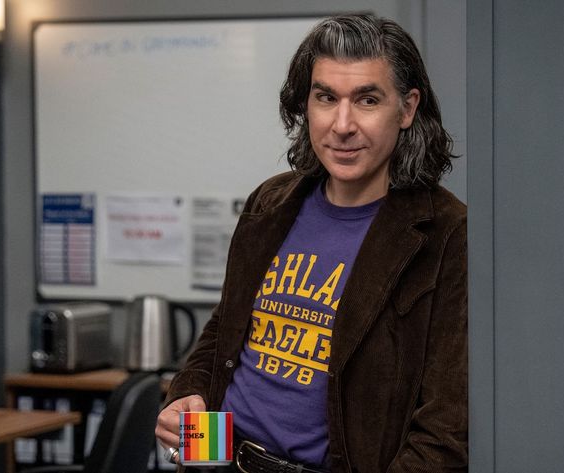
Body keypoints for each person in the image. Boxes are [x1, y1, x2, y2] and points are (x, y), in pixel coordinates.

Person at [155, 13, 467, 473]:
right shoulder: (272, 200)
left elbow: (445, 427)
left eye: (366, 99)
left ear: (406, 108)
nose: (342, 124)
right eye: (326, 98)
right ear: (307, 106)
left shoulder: (445, 231)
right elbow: (225, 335)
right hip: (217, 462)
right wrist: (188, 395)